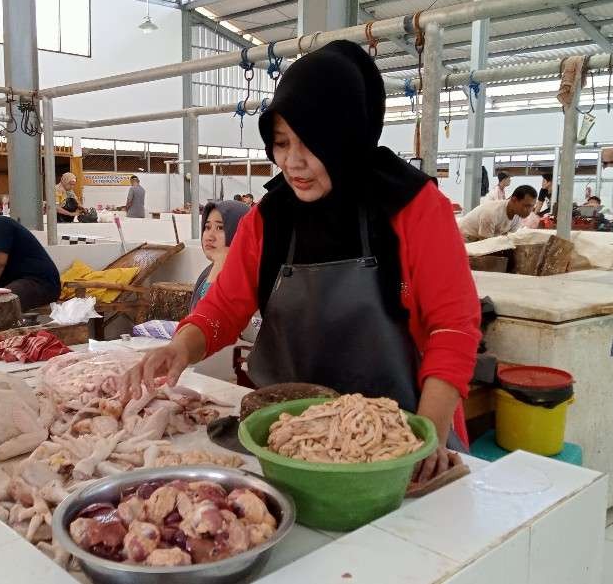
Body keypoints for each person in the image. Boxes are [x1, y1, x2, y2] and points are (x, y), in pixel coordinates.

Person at [122, 40, 481, 482]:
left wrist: (426, 438)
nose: (293, 162)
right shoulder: (269, 219)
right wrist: (181, 346)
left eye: (311, 143)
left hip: (402, 440)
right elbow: (225, 307)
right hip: (293, 441)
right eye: (280, 143)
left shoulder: (413, 207)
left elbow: (453, 329)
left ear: (346, 136)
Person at [190, 200, 251, 311]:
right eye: (207, 227)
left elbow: (207, 319)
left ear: (240, 231)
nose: (209, 237)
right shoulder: (208, 272)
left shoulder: (247, 279)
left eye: (220, 228)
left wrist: (219, 266)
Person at [459, 185, 538, 242]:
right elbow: (484, 244)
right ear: (514, 200)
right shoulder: (491, 213)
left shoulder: (518, 216)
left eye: (532, 206)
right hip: (464, 239)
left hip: (482, 240)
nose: (529, 210)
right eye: (526, 206)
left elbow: (508, 239)